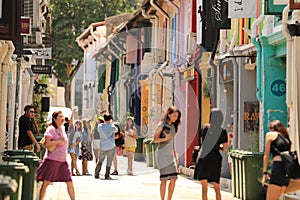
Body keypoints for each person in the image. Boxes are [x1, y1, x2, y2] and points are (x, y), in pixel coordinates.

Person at [36, 111, 75, 200]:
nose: (62, 118)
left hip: (62, 161)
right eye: (60, 116)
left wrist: (73, 114)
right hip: (52, 160)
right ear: (54, 119)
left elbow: (70, 124)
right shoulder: (51, 129)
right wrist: (59, 141)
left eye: (63, 116)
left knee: (69, 181)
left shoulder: (62, 129)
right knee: (46, 182)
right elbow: (46, 143)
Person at [194, 108, 228, 200]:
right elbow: (224, 149)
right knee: (217, 188)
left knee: (204, 189)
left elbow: (203, 143)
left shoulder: (205, 128)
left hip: (203, 158)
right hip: (215, 159)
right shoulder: (223, 131)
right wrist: (218, 146)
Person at [153, 106, 182, 200]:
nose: (175, 118)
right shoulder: (162, 125)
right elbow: (155, 139)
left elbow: (172, 142)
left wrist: (176, 156)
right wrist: (165, 138)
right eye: (174, 115)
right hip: (161, 155)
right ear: (168, 115)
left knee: (174, 178)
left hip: (170, 155)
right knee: (164, 180)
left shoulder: (174, 126)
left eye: (177, 116)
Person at [262, 120, 291, 200]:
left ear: (272, 128)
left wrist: (264, 172)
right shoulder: (286, 137)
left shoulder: (270, 135)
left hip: (278, 167)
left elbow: (266, 155)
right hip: (287, 170)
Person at [94, 113, 118, 180]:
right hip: (111, 146)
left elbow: (98, 129)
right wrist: (111, 123)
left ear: (104, 119)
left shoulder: (100, 126)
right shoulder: (112, 126)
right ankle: (107, 175)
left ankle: (96, 173)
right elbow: (117, 130)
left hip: (103, 146)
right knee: (109, 161)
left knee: (100, 160)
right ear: (110, 119)